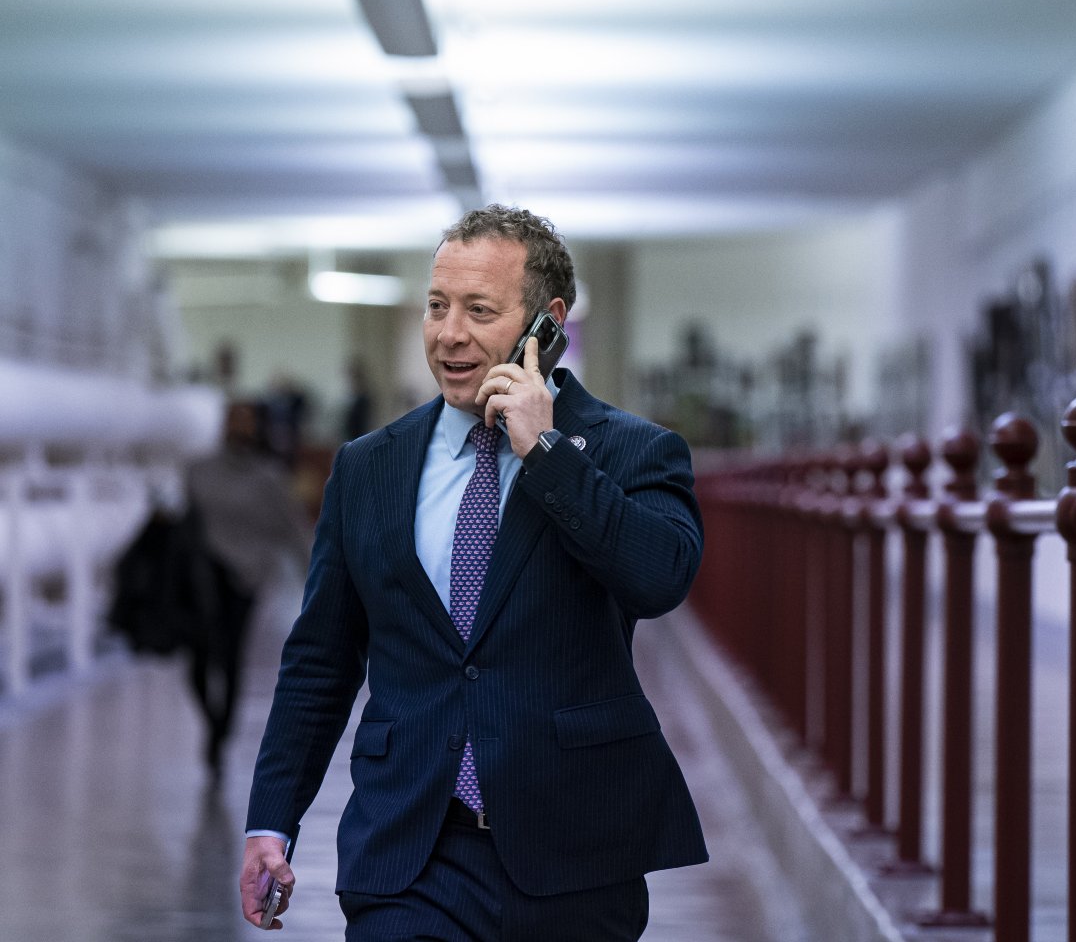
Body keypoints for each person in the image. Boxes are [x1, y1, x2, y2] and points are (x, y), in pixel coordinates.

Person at [239, 205, 707, 940]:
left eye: (479, 310)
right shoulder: (369, 468)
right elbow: (321, 660)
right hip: (411, 853)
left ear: (546, 323)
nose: (449, 333)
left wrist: (547, 453)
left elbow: (660, 578)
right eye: (436, 306)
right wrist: (273, 819)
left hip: (574, 853)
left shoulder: (632, 452)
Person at [184, 400, 311, 779]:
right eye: (233, 419)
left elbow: (291, 529)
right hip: (203, 578)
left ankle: (220, 735)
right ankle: (214, 724)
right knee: (199, 660)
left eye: (246, 420)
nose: (239, 426)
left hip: (247, 578)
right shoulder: (198, 471)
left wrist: (316, 576)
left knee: (231, 655)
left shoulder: (268, 477)